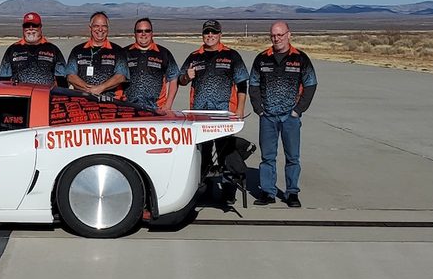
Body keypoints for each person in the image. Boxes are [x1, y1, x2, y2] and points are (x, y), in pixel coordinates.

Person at [249, 21, 318, 207]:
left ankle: (292, 193)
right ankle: (267, 192)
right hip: (268, 116)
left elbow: (311, 84)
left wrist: (298, 110)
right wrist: (259, 109)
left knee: (292, 156)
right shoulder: (262, 58)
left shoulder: (300, 58)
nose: (276, 38)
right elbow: (253, 84)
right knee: (267, 157)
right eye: (273, 35)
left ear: (289, 34)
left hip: (290, 117)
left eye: (280, 35)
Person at [178, 19, 249, 195]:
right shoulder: (195, 56)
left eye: (213, 33)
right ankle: (205, 189)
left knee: (226, 153)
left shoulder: (231, 55)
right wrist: (187, 76)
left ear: (220, 35)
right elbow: (181, 80)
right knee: (203, 154)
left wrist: (239, 109)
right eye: (207, 32)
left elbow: (242, 84)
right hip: (199, 114)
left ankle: (228, 191)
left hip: (224, 114)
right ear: (202, 35)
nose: (210, 35)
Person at [65, 11, 129, 97]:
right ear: (90, 28)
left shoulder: (118, 51)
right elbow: (70, 75)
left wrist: (101, 88)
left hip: (110, 103)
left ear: (108, 28)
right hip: (82, 100)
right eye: (96, 26)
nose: (100, 29)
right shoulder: (77, 50)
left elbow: (121, 76)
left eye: (104, 26)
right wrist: (88, 90)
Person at [124, 17, 180, 113]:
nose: (143, 34)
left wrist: (168, 105)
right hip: (128, 109)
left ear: (152, 33)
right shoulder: (124, 52)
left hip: (156, 109)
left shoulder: (163, 53)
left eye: (147, 30)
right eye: (139, 31)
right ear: (134, 34)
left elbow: (174, 77)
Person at [0, 12, 67, 85]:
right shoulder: (12, 49)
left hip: (45, 95)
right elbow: (4, 80)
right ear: (23, 28)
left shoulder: (53, 49)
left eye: (34, 25)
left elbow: (62, 79)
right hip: (19, 94)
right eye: (27, 25)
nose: (30, 28)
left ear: (40, 27)